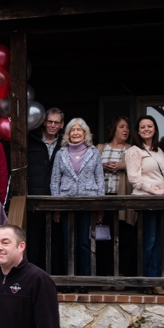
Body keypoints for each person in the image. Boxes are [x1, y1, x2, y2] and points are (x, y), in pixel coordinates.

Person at [51, 118, 105, 288]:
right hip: (67, 204)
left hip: (88, 203)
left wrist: (100, 206)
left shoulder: (94, 152)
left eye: (79, 130)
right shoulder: (61, 153)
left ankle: (85, 281)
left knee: (84, 243)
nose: (75, 132)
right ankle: (70, 281)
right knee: (69, 243)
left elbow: (100, 180)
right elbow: (55, 181)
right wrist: (57, 207)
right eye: (72, 130)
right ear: (68, 133)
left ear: (85, 133)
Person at [125, 116, 164, 292]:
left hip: (161, 201)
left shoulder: (159, 151)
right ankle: (148, 281)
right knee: (149, 240)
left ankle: (156, 280)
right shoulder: (134, 151)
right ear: (138, 131)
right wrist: (154, 190)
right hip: (146, 200)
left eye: (149, 126)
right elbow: (134, 178)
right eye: (142, 127)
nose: (146, 129)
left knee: (159, 241)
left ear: (154, 128)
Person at [96, 116, 138, 278]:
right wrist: (101, 166)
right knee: (103, 237)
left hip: (124, 200)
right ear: (113, 129)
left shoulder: (132, 150)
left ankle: (122, 274)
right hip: (103, 200)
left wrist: (124, 166)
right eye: (122, 127)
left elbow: (141, 167)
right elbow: (88, 168)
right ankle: (106, 273)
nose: (126, 130)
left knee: (125, 238)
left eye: (127, 127)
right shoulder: (100, 148)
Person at [26, 108, 65, 271]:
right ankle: (33, 277)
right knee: (34, 240)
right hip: (34, 198)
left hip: (57, 199)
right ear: (43, 122)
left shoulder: (65, 143)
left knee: (56, 241)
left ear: (62, 125)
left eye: (56, 122)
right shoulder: (31, 140)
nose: (52, 125)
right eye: (50, 121)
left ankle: (54, 277)